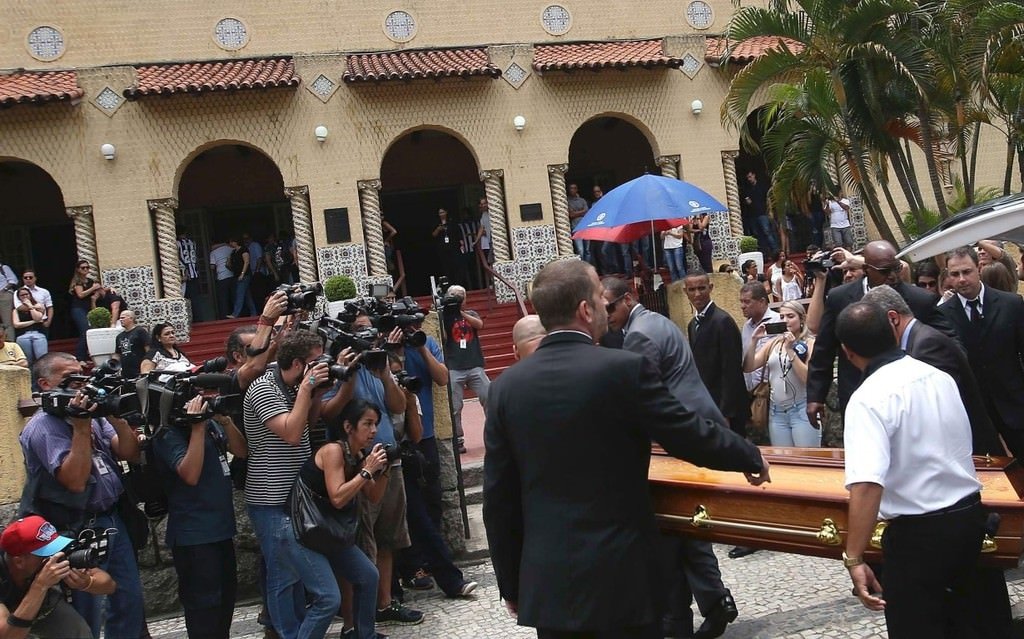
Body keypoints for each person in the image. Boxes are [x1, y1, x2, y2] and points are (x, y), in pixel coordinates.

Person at [483, 259, 769, 639]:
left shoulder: (505, 387)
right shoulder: (623, 369)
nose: (605, 308)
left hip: (551, 582)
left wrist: (511, 582)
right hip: (623, 574)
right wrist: (748, 454)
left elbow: (498, 499)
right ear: (586, 310)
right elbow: (687, 432)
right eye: (600, 300)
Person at [836, 302, 985, 638]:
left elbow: (866, 486)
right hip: (968, 521)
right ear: (892, 331)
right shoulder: (938, 377)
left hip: (919, 538)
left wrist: (854, 557)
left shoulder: (867, 399)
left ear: (847, 352)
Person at [601, 277, 739, 639]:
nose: (607, 315)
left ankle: (710, 602)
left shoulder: (640, 335)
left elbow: (641, 398)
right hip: (688, 431)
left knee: (686, 527)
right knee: (680, 529)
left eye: (610, 307)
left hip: (679, 439)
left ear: (628, 299)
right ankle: (689, 609)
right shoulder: (657, 322)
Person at [19, 352, 144, 638]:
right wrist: (81, 427)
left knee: (128, 601)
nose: (80, 386)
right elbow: (74, 481)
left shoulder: (91, 414)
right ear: (45, 385)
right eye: (69, 379)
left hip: (112, 519)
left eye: (82, 377)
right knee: (87, 608)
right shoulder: (42, 427)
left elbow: (130, 453)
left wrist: (116, 416)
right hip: (75, 527)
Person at [320, 318, 423, 627]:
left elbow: (396, 406)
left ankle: (384, 603)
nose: (368, 338)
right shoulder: (338, 368)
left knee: (387, 537)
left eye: (371, 332)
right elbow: (327, 412)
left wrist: (386, 374)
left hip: (388, 459)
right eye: (361, 332)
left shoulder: (378, 364)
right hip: (357, 465)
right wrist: (346, 375)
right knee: (361, 541)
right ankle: (357, 619)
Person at [243, 330, 340, 639]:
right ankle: (288, 633)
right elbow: (292, 433)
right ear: (299, 364)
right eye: (316, 362)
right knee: (283, 577)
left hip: (297, 496)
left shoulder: (294, 385)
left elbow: (309, 424)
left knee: (297, 576)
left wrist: (318, 392)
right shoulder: (263, 388)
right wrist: (307, 388)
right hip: (270, 499)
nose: (321, 366)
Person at [805, 240, 955, 428]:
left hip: (910, 401)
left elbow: (950, 346)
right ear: (867, 269)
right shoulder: (839, 297)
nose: (892, 276)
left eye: (896, 268)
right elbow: (824, 350)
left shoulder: (921, 300)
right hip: (857, 394)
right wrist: (815, 396)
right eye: (885, 271)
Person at [152, 393, 247, 639]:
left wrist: (224, 420)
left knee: (225, 603)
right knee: (204, 610)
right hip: (194, 536)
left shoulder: (210, 422)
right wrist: (197, 428)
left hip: (222, 530)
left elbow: (241, 451)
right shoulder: (167, 433)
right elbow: (190, 474)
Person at [304, 399, 388, 639]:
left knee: (369, 576)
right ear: (349, 427)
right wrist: (366, 471)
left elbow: (373, 496)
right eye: (368, 424)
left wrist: (385, 470)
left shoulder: (359, 454)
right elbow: (338, 497)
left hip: (327, 531)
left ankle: (365, 635)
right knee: (329, 599)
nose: (373, 430)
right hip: (304, 532)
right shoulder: (333, 451)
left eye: (376, 424)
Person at [940, 246, 1024, 460]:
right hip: (974, 411)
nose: (961, 279)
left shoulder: (1010, 304)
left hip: (1015, 403)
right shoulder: (942, 315)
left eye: (966, 272)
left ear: (979, 268)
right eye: (955, 274)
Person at [0, 515, 115, 639]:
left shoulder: (56, 556)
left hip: (37, 599)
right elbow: (8, 636)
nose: (55, 556)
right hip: (10, 612)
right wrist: (40, 586)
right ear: (19, 562)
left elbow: (109, 585)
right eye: (46, 554)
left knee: (77, 630)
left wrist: (87, 582)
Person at [743, 301, 819, 447]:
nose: (785, 321)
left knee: (806, 460)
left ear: (801, 319)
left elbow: (807, 378)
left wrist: (790, 351)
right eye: (782, 316)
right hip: (776, 411)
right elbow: (748, 366)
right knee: (784, 460)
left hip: (801, 409)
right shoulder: (774, 343)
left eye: (790, 316)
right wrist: (754, 340)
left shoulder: (810, 343)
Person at [683, 271, 750, 436]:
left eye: (701, 288)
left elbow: (731, 370)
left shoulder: (723, 321)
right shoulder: (693, 325)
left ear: (710, 288)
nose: (697, 294)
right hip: (707, 405)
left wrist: (726, 412)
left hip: (726, 409)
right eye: (692, 290)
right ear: (686, 292)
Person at [439, 285, 489, 454]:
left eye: (461, 297)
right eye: (455, 297)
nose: (459, 300)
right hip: (454, 366)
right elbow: (442, 335)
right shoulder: (444, 316)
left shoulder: (471, 313)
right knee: (455, 405)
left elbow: (479, 325)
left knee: (489, 396)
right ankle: (458, 439)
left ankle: (494, 433)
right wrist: (447, 310)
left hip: (474, 363)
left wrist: (460, 312)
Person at [68, 261, 101, 361]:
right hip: (78, 309)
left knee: (90, 331)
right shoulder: (78, 282)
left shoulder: (90, 281)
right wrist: (93, 288)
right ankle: (80, 357)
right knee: (85, 331)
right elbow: (81, 294)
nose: (86, 269)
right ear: (78, 269)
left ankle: (87, 354)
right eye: (83, 268)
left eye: (87, 267)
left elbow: (99, 290)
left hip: (88, 309)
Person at [741, 172, 777, 253]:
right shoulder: (748, 189)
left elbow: (768, 199)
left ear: (754, 175)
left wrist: (770, 210)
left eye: (750, 177)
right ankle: (764, 252)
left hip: (763, 213)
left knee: (767, 232)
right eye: (748, 178)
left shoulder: (761, 187)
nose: (749, 179)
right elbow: (746, 200)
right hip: (752, 215)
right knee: (757, 235)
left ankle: (775, 250)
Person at [12, 287, 47, 368]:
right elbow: (17, 324)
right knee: (27, 361)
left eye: (26, 294)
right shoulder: (16, 310)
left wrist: (30, 306)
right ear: (19, 298)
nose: (24, 296)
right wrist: (33, 322)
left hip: (38, 334)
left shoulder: (38, 306)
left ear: (30, 295)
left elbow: (37, 317)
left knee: (42, 360)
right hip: (23, 336)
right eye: (22, 295)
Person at [431, 208, 466, 287]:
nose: (442, 214)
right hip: (443, 249)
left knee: (456, 266)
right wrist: (438, 229)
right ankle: (448, 286)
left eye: (443, 212)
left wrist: (461, 243)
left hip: (454, 248)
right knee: (446, 268)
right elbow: (433, 235)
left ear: (446, 212)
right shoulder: (436, 223)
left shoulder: (452, 222)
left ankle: (458, 285)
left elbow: (459, 234)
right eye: (440, 213)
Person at [112, 310, 149, 379]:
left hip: (140, 371)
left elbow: (148, 349)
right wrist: (113, 365)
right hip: (126, 373)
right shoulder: (119, 336)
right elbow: (117, 354)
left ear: (131, 318)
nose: (120, 320)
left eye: (123, 318)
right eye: (120, 318)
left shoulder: (140, 331)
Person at [227, 236, 256, 318]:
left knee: (239, 294)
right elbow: (230, 265)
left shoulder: (244, 250)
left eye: (231, 242)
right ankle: (253, 312)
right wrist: (228, 260)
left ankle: (235, 313)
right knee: (247, 295)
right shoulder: (233, 252)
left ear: (236, 242)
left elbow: (246, 262)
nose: (230, 243)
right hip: (237, 275)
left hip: (244, 275)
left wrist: (242, 273)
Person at [20, 272, 53, 340]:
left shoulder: (44, 292)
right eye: (25, 277)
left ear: (35, 278)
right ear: (23, 279)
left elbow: (49, 307)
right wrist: (36, 307)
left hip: (42, 322)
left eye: (30, 277)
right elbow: (18, 308)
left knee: (42, 348)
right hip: (25, 323)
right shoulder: (18, 293)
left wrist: (48, 321)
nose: (28, 279)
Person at [209, 239, 235, 318]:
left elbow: (212, 266)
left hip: (221, 277)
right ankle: (237, 313)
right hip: (232, 275)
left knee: (223, 298)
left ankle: (224, 316)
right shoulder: (231, 249)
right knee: (234, 296)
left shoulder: (213, 252)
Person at [567, 183, 590, 263]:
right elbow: (571, 214)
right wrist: (582, 212)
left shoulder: (582, 200)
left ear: (577, 189)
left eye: (574, 188)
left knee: (587, 250)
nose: (572, 190)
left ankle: (588, 267)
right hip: (576, 228)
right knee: (580, 250)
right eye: (571, 188)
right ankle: (582, 268)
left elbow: (587, 211)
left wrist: (576, 213)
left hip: (585, 227)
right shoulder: (567, 201)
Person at [177, 226, 200, 301]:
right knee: (195, 298)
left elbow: (177, 258)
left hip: (185, 275)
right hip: (194, 273)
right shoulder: (192, 242)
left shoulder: (177, 243)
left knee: (185, 298)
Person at [0, 257, 17, 342]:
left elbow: (13, 280)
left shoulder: (3, 268)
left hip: (4, 296)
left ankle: (10, 342)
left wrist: (3, 290)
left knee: (7, 321)